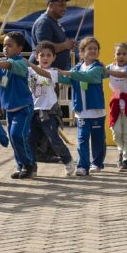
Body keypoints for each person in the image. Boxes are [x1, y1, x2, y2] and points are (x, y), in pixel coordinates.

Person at [0, 32, 35, 179]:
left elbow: (8, 64)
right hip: (10, 109)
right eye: (4, 45)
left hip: (23, 107)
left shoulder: (21, 62)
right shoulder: (1, 64)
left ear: (19, 48)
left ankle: (29, 165)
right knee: (14, 138)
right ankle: (22, 166)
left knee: (17, 135)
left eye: (10, 45)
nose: (5, 48)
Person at [57, 37, 107, 176]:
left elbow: (86, 77)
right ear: (82, 53)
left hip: (97, 111)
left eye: (95, 49)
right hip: (81, 112)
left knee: (98, 140)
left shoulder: (98, 68)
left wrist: (67, 72)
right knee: (82, 139)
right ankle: (83, 166)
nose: (93, 51)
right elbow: (65, 78)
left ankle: (97, 163)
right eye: (89, 48)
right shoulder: (77, 68)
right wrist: (51, 73)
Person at [27, 42, 76, 177]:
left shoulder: (53, 72)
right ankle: (32, 167)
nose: (45, 58)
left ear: (54, 58)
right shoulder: (30, 71)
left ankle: (68, 161)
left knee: (53, 139)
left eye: (49, 55)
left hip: (48, 112)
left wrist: (29, 64)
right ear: (36, 57)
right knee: (30, 140)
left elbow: (42, 73)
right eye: (42, 55)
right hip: (33, 112)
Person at [105, 42, 127, 171]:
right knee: (116, 132)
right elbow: (98, 74)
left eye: (124, 53)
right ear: (114, 55)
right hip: (115, 103)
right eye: (118, 53)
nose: (121, 56)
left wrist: (107, 71)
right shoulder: (110, 67)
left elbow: (123, 75)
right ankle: (121, 150)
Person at [32, 0, 74, 70]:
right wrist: (65, 45)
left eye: (65, 6)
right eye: (61, 5)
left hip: (52, 74)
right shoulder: (44, 22)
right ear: (50, 5)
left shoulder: (53, 21)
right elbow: (44, 47)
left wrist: (69, 44)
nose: (64, 9)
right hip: (42, 75)